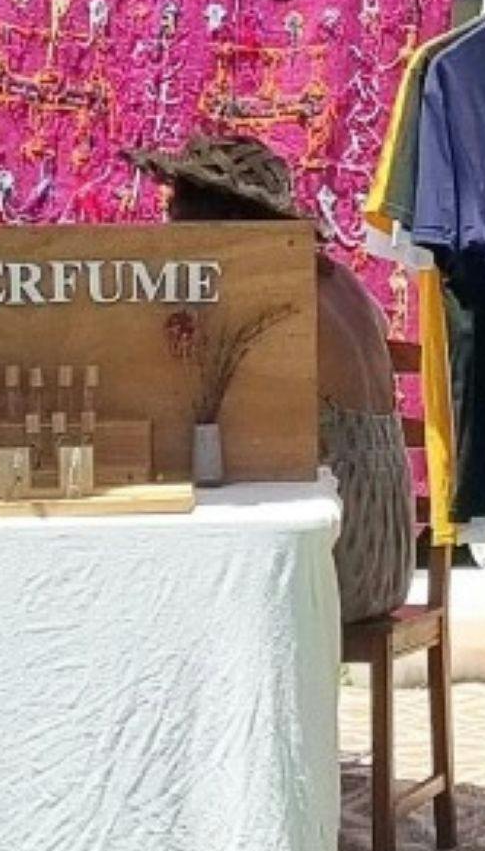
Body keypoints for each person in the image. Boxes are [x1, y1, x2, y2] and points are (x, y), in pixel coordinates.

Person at [141, 133, 415, 625]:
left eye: (178, 224)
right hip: (389, 553)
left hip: (337, 566)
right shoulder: (343, 282)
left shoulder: (268, 298)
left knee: (160, 595)